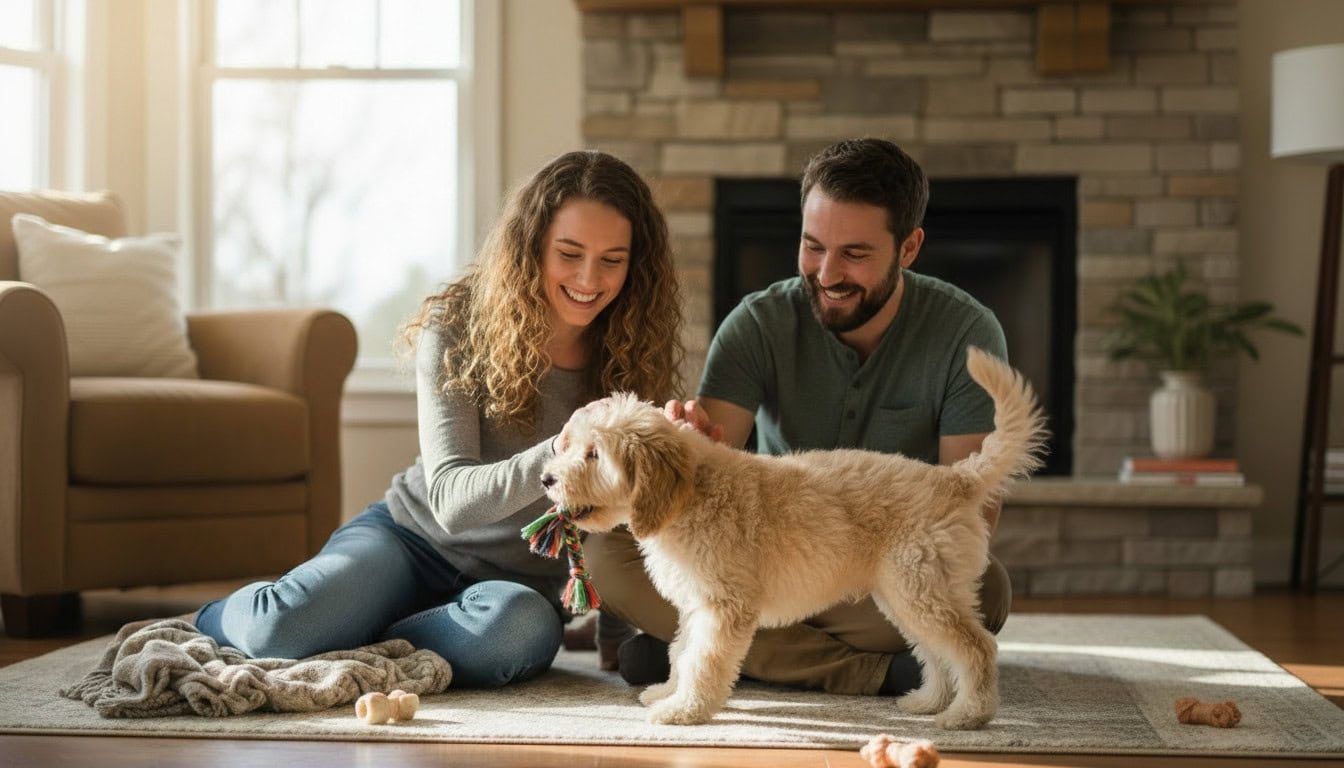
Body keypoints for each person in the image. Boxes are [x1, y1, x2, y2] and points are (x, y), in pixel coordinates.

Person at [194, 150, 684, 687]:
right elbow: (450, 500)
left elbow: (627, 506)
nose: (589, 279)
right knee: (280, 630)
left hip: (512, 588)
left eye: (612, 260)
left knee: (515, 636)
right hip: (409, 541)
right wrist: (560, 452)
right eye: (569, 253)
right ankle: (219, 618)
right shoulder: (457, 324)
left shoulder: (637, 354)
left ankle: (358, 630)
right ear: (532, 245)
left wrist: (614, 634)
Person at [585, 138, 1013, 697]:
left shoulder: (966, 333)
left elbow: (971, 507)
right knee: (608, 554)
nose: (827, 273)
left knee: (989, 588)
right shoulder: (756, 324)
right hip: (760, 561)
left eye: (854, 254)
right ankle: (865, 671)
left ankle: (699, 656)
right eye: (813, 246)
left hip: (877, 567)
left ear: (908, 248)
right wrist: (689, 441)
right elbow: (702, 489)